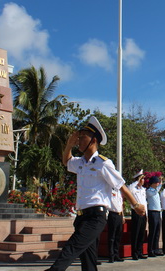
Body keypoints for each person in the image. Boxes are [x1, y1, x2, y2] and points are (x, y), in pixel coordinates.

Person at [44, 116, 145, 271]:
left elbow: (121, 186)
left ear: (93, 141)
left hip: (96, 217)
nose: (79, 140)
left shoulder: (103, 163)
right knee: (88, 259)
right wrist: (69, 145)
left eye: (82, 137)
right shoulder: (80, 162)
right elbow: (66, 162)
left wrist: (136, 205)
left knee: (71, 247)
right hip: (81, 217)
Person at [128, 169, 148, 260]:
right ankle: (134, 253)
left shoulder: (143, 190)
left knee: (141, 233)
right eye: (142, 179)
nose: (143, 181)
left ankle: (139, 252)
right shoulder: (133, 188)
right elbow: (129, 188)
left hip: (143, 213)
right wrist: (136, 181)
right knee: (135, 233)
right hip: (136, 212)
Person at [146, 176, 163, 256]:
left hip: (158, 212)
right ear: (152, 183)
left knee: (157, 232)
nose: (157, 184)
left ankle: (156, 249)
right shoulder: (149, 191)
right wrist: (160, 184)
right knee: (152, 231)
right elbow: (155, 192)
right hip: (152, 212)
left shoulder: (156, 191)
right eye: (156, 182)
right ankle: (150, 249)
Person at [107, 188, 125, 263]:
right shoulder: (110, 190)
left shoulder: (119, 192)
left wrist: (123, 216)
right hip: (112, 214)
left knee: (118, 236)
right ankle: (111, 255)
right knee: (112, 236)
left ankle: (116, 254)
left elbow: (121, 204)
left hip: (119, 215)